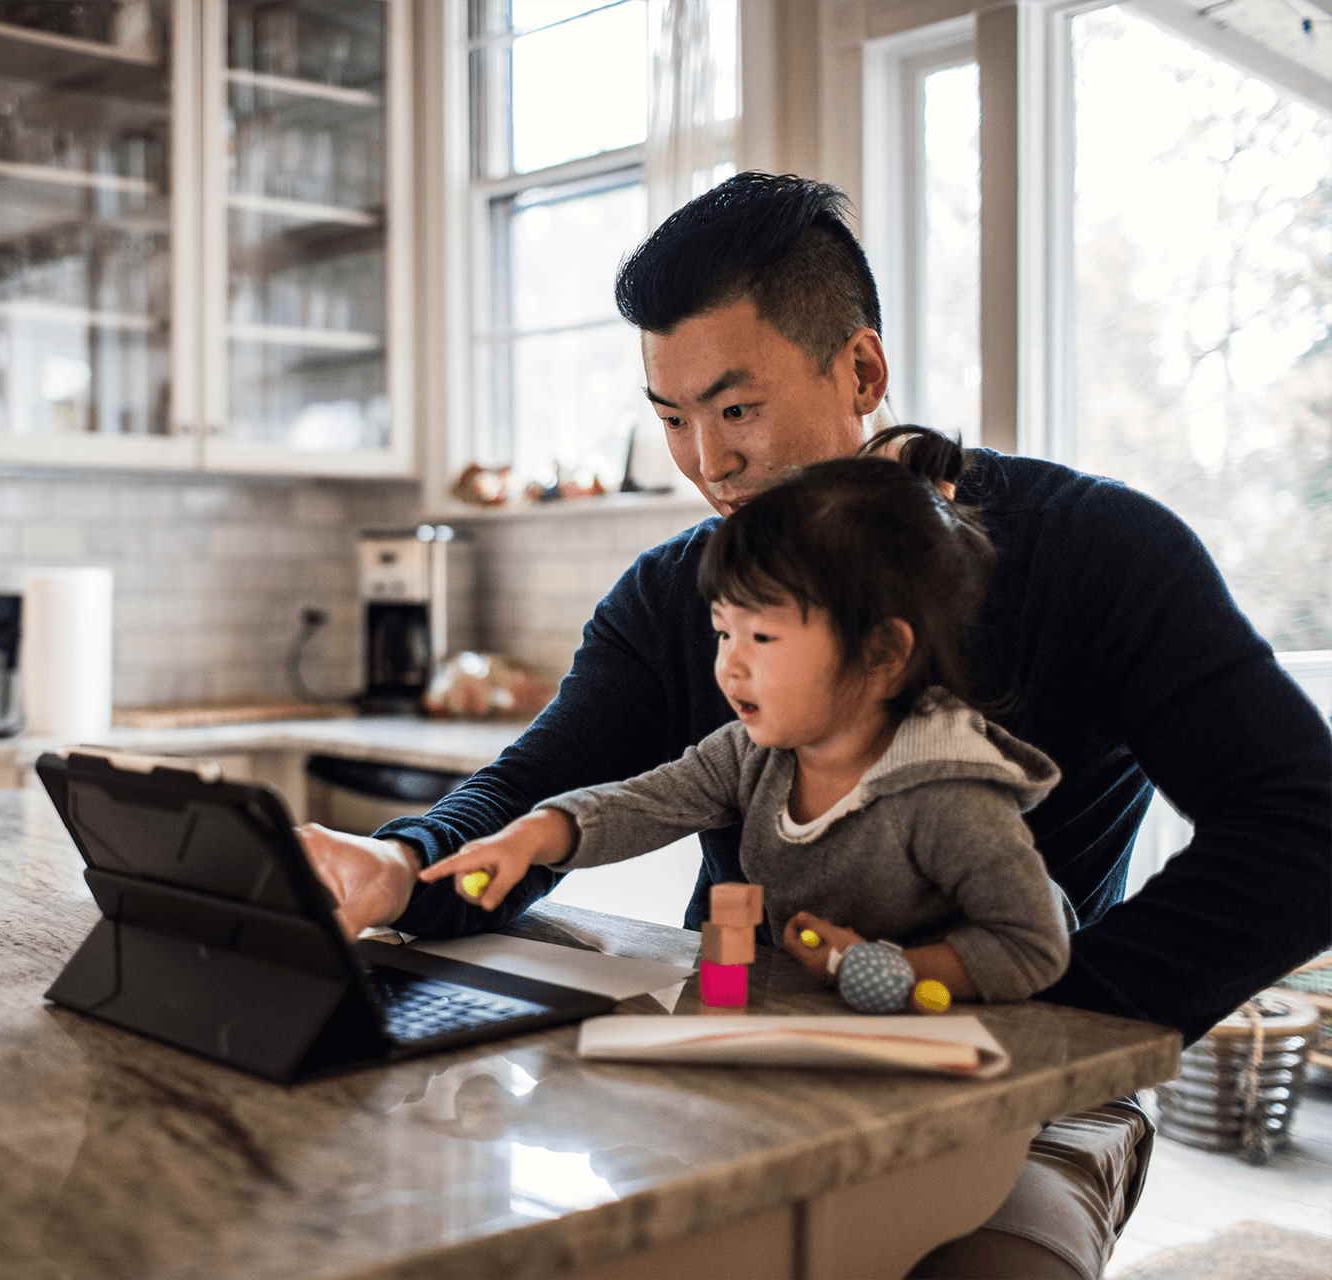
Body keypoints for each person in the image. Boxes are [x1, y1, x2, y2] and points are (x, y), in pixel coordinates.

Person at [295, 172, 1332, 1279]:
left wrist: (1053, 1026)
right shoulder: (668, 597)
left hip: (1021, 1089)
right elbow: (536, 791)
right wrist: (402, 863)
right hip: (736, 1043)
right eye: (672, 419)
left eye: (736, 409)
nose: (707, 462)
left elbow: (1304, 829)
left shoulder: (1095, 553)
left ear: (863, 371)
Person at [421, 428, 1074, 1009]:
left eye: (759, 639)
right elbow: (642, 806)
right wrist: (535, 835)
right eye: (721, 634)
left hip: (950, 1061)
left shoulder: (946, 795)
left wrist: (890, 970)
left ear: (880, 651)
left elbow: (1033, 945)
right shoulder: (752, 755)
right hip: (814, 1034)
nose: (729, 667)